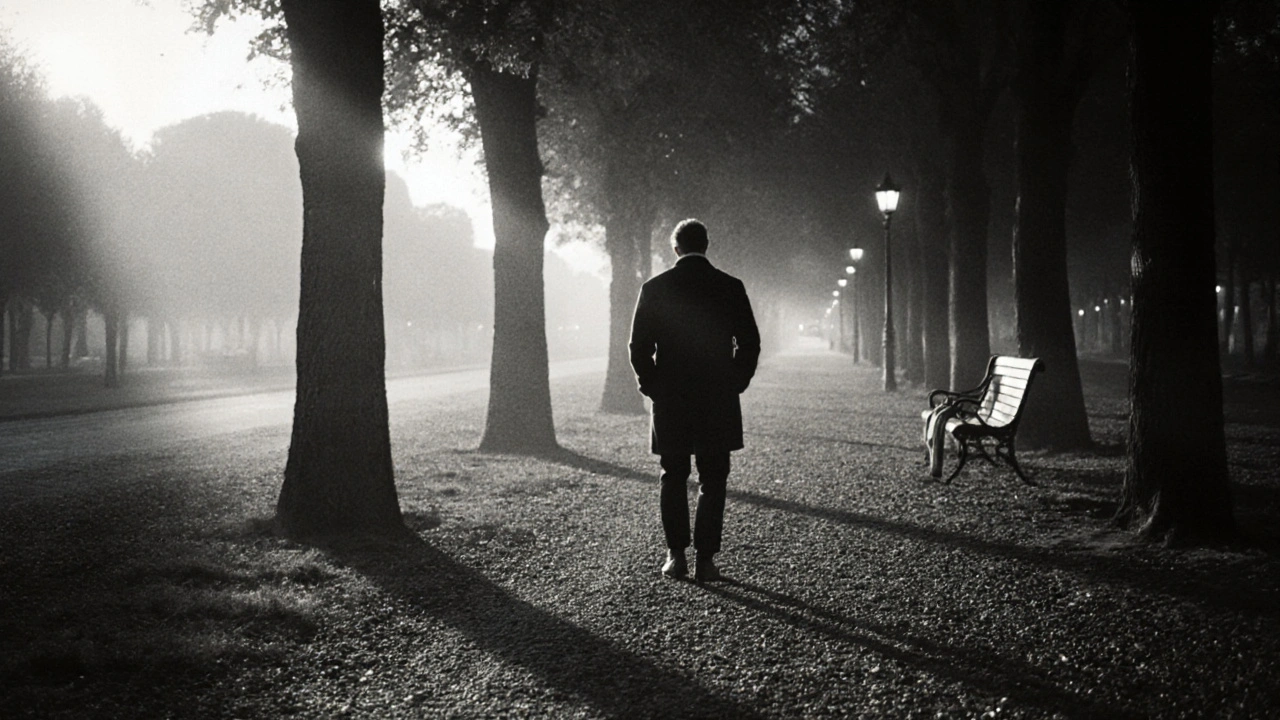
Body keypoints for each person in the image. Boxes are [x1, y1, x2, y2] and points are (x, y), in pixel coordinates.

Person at [629, 219, 760, 582]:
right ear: (706, 245)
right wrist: (736, 381)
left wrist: (652, 387)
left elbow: (639, 347)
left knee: (673, 475)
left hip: (671, 398)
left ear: (676, 249)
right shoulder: (730, 286)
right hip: (717, 396)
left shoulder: (655, 288)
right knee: (713, 478)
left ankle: (675, 556)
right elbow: (749, 343)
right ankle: (706, 559)